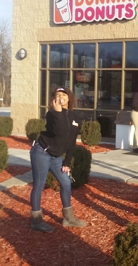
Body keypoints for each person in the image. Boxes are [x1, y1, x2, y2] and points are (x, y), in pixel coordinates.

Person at [30, 87, 86, 232]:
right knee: (39, 185)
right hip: (41, 153)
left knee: (66, 183)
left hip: (56, 157)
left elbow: (72, 141)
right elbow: (59, 132)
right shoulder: (51, 114)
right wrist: (58, 112)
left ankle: (68, 218)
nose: (60, 97)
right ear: (53, 100)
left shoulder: (75, 117)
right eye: (57, 95)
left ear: (69, 98)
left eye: (63, 95)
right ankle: (36, 221)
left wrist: (67, 162)